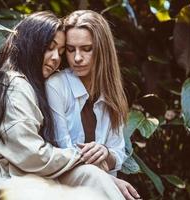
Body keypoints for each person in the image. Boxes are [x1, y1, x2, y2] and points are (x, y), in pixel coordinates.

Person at [0, 11, 124, 200]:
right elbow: (30, 153)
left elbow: (116, 151)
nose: (56, 58)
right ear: (31, 46)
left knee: (93, 177)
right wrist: (81, 156)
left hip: (17, 173)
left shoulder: (30, 86)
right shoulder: (15, 85)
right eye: (50, 48)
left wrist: (102, 164)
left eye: (59, 51)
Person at [45, 10, 141, 200]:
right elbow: (63, 150)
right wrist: (111, 181)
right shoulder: (56, 86)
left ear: (102, 50)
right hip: (64, 184)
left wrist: (105, 152)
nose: (77, 58)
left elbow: (118, 154)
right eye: (71, 49)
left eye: (86, 49)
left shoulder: (113, 92)